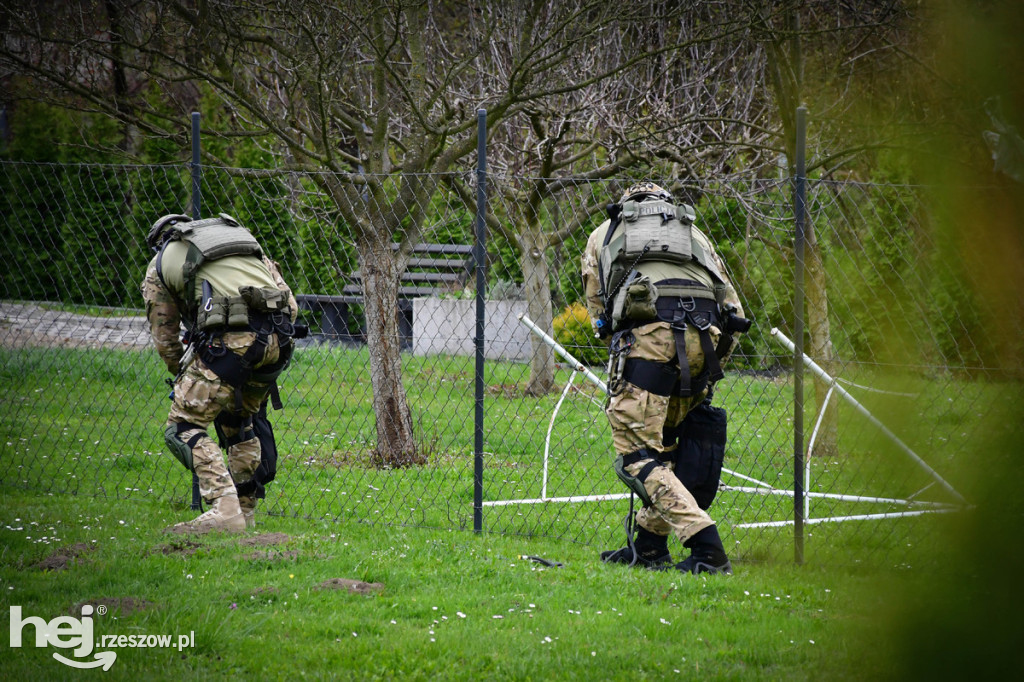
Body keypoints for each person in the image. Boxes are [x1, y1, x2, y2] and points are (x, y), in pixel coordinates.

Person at [581, 182, 749, 574]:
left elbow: (597, 308)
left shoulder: (604, 234)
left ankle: (707, 547)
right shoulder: (693, 233)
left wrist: (622, 349)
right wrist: (711, 368)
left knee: (638, 455)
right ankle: (650, 546)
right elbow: (734, 307)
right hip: (704, 343)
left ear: (628, 203)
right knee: (667, 451)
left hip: (649, 342)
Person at [142, 212, 299, 534]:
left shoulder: (159, 265)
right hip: (281, 341)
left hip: (230, 345)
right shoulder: (242, 243)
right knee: (238, 422)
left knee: (183, 425)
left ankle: (225, 509)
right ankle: (245, 512)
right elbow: (291, 306)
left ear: (161, 240)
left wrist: (184, 374)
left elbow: (165, 334)